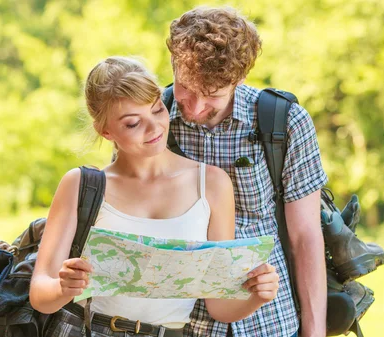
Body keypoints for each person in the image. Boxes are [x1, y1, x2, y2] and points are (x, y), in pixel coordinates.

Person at [29, 56, 281, 337]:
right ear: (106, 130)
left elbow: (219, 307)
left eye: (158, 109)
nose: (155, 128)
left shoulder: (211, 184)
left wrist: (257, 295)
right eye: (133, 123)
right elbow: (40, 295)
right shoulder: (80, 184)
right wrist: (64, 287)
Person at [165, 6, 329, 337]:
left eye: (211, 95)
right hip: (176, 322)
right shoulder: (150, 121)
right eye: (185, 87)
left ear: (239, 80)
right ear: (172, 64)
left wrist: (315, 331)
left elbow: (305, 237)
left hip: (268, 321)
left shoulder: (285, 123)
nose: (195, 107)